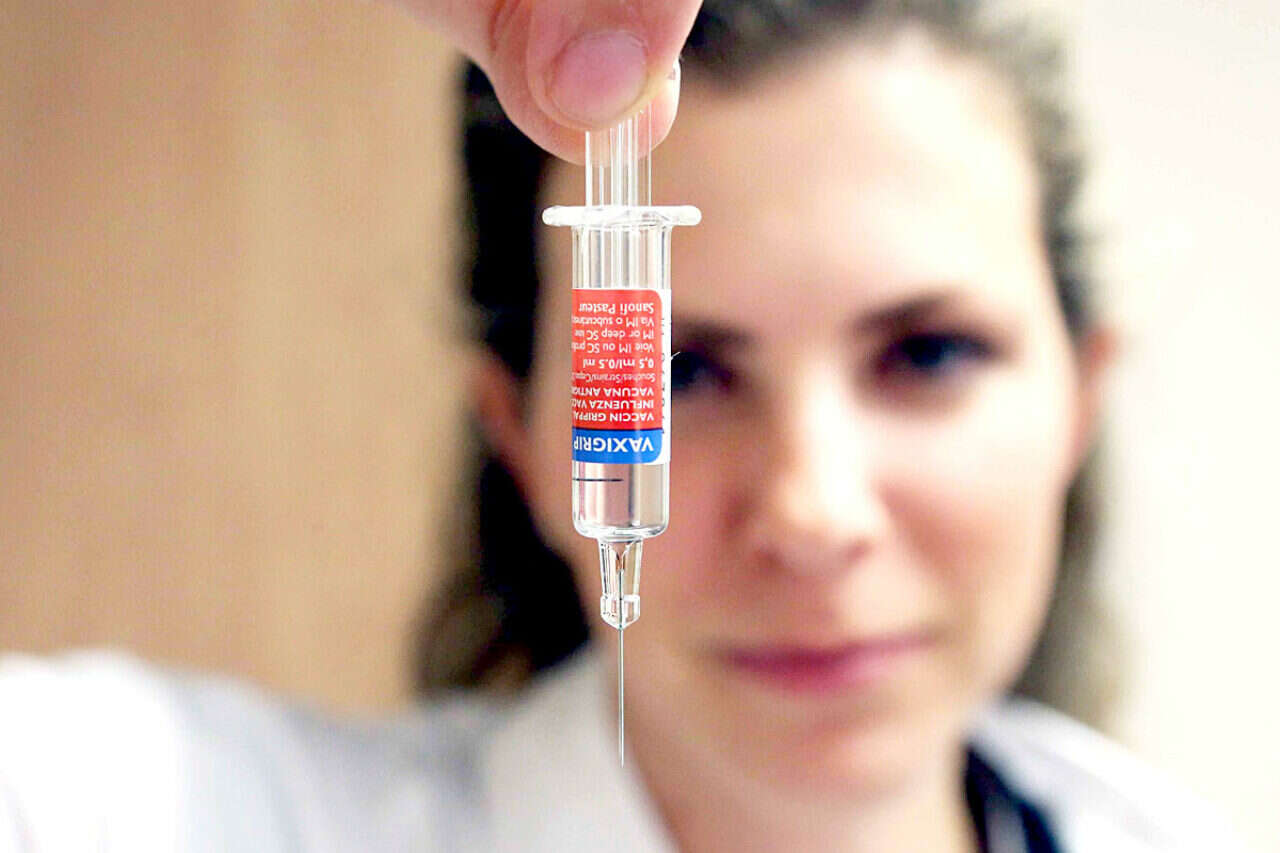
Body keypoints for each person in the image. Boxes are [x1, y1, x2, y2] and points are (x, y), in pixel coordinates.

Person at [0, 1, 1244, 851]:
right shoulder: (178, 812)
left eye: (926, 354)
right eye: (680, 373)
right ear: (520, 433)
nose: (811, 513)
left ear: (1078, 396)